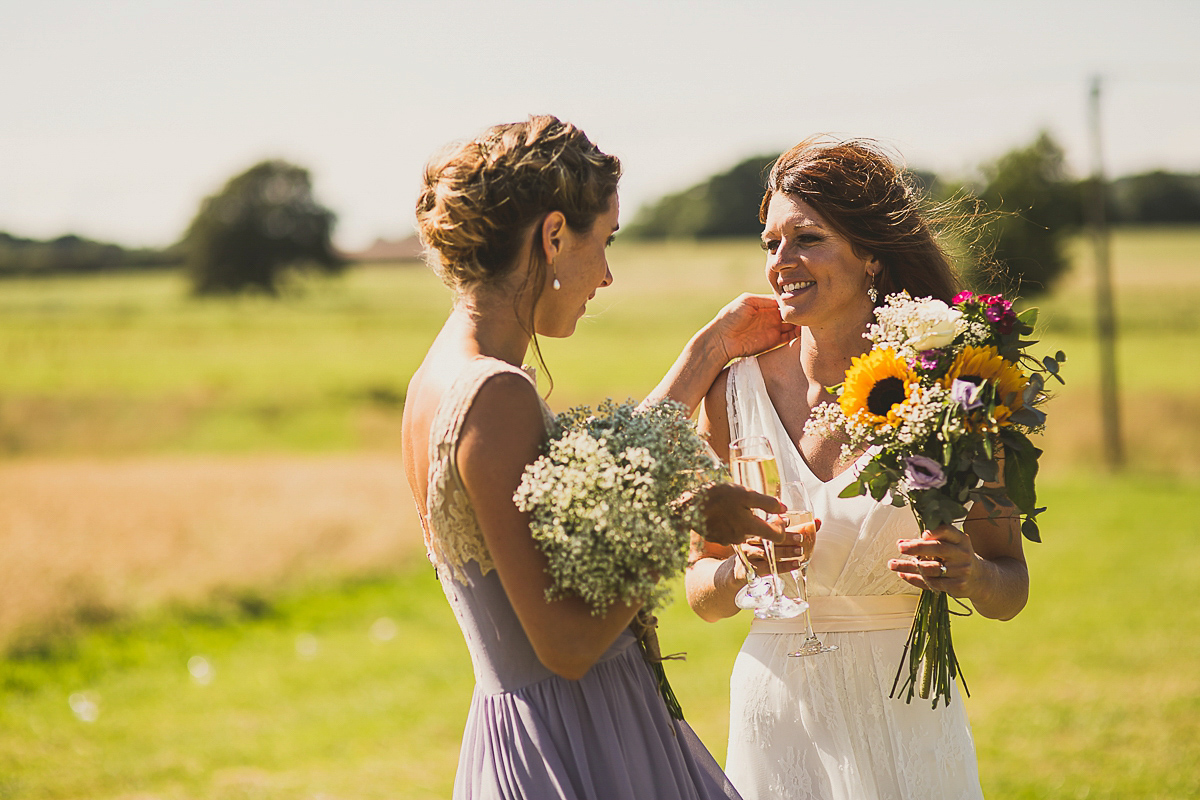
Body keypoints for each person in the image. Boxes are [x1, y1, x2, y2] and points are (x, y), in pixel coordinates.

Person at [402, 115, 797, 800]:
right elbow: (567, 644)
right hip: (579, 741)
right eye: (604, 242)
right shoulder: (495, 393)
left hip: (532, 731)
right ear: (554, 236)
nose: (607, 275)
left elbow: (604, 482)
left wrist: (708, 351)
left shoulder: (439, 378)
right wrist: (686, 514)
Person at [686, 138, 1029, 800]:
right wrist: (746, 567)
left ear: (871, 253)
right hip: (774, 715)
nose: (781, 263)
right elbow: (702, 591)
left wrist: (973, 575)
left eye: (806, 239)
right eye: (770, 244)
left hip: (906, 715)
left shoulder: (955, 387)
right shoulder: (731, 397)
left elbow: (1010, 584)